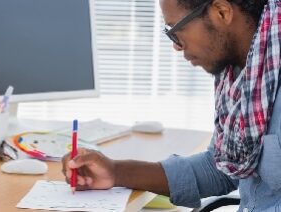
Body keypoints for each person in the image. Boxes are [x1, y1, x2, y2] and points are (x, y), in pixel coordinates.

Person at [61, 0, 281, 210]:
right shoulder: (241, 76)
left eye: (175, 29)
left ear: (222, 12)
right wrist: (115, 172)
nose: (176, 46)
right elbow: (222, 168)